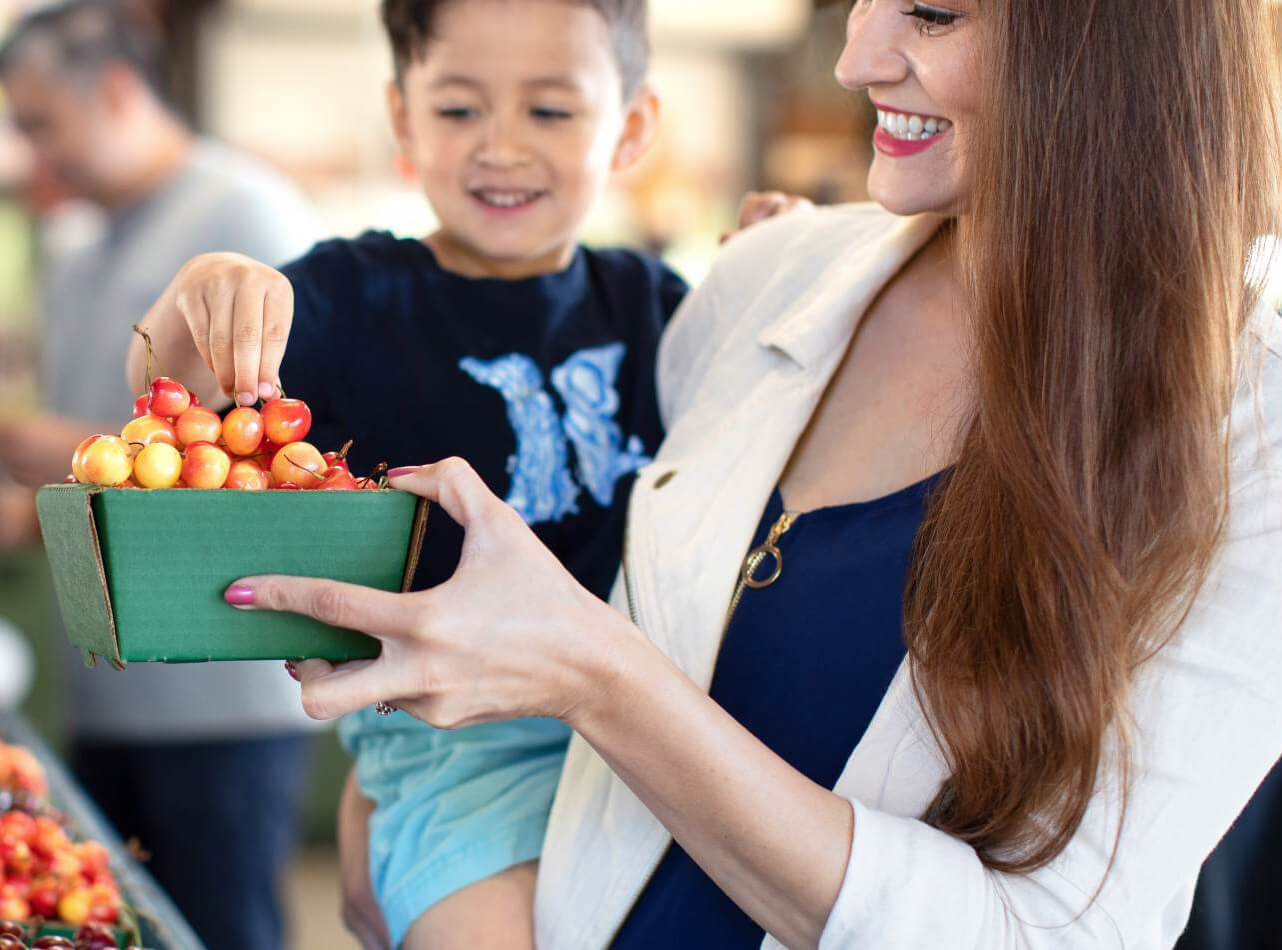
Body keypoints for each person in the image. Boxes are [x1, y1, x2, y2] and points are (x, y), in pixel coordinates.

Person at [214, 0, 1282, 946]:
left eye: (931, 13)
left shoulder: (1251, 411)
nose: (855, 56)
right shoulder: (771, 277)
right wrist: (403, 786)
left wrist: (591, 673)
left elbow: (1057, 927)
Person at [127, 0, 688, 946]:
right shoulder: (352, 292)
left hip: (648, 714)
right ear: (402, 121)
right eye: (460, 109)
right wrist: (198, 299)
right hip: (447, 737)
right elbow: (166, 402)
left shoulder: (657, 305)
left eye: (550, 111)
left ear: (629, 129)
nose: (501, 146)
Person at [0, 3, 318, 948]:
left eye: (41, 122)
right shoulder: (82, 240)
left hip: (219, 690)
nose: (33, 153)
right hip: (111, 680)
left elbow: (263, 456)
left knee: (220, 928)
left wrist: (38, 448)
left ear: (116, 91)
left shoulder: (239, 218)